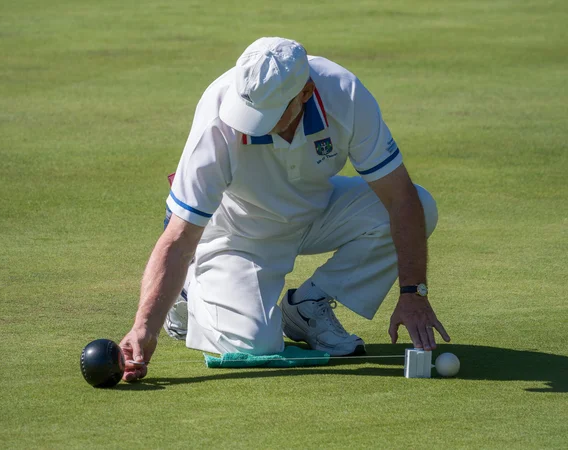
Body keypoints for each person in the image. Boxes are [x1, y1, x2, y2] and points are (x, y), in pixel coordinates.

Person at [119, 37, 450, 381]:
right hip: (239, 231)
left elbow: (401, 198)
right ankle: (189, 288)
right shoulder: (217, 117)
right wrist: (144, 327)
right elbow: (179, 234)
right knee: (254, 345)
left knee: (420, 206)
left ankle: (308, 306)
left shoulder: (345, 94)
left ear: (305, 93)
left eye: (269, 113)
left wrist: (413, 292)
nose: (250, 122)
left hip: (316, 209)